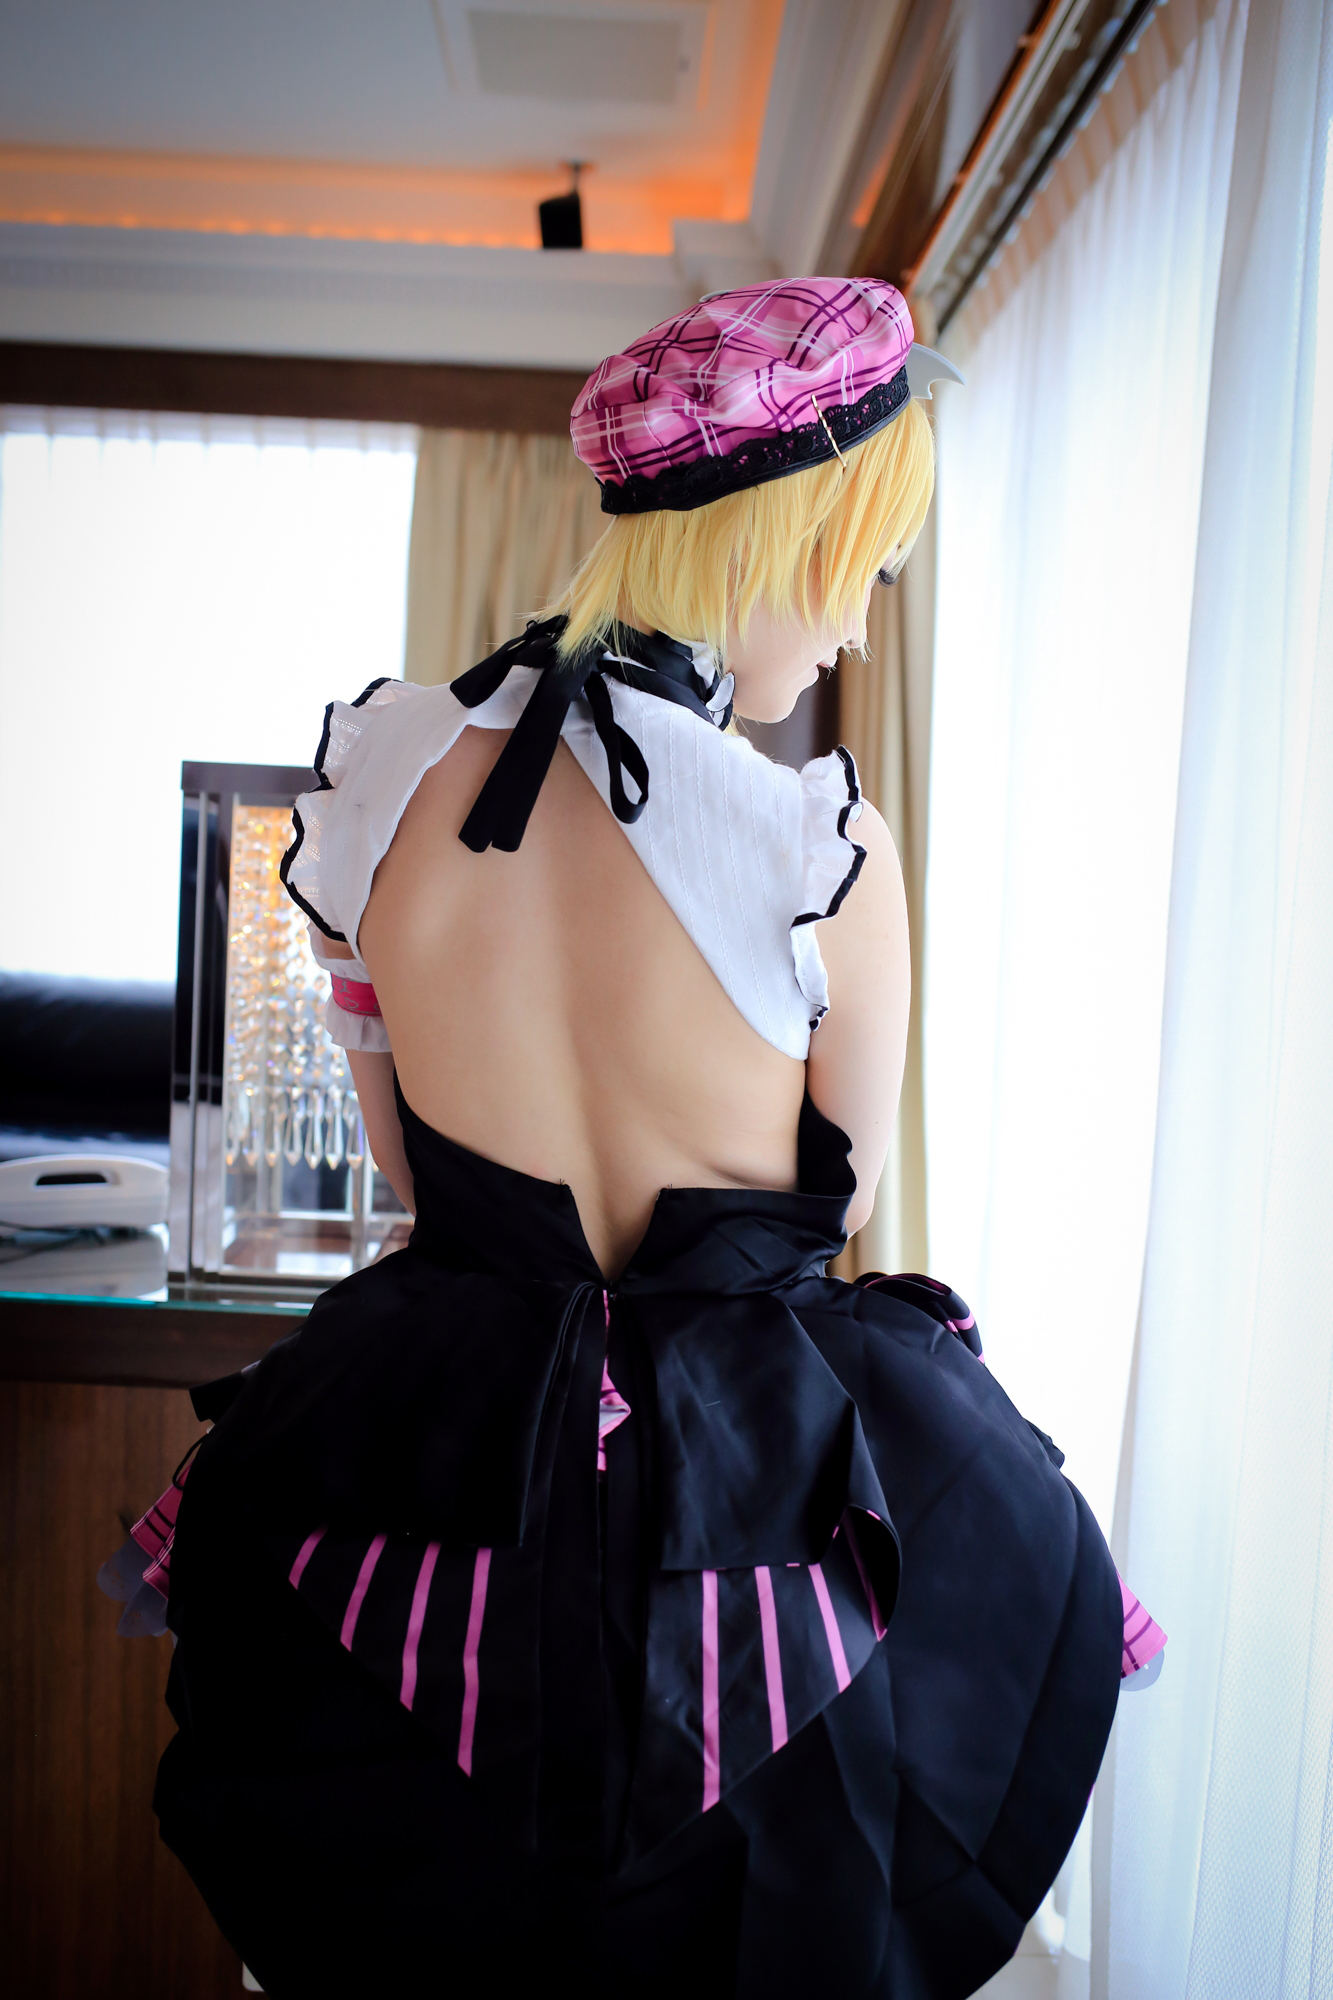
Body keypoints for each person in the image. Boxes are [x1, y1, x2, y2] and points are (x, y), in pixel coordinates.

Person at [101, 277, 1163, 1998]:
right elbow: (828, 1207)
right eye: (859, 565)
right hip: (741, 1499)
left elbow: (409, 1175)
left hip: (433, 1440)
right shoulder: (819, 848)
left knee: (414, 1920)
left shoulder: (376, 785)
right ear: (772, 534)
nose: (857, 626)